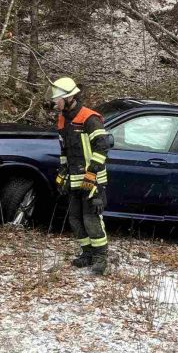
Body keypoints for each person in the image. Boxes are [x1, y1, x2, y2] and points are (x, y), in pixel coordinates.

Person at [51, 77, 111, 275]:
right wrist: (62, 172)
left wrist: (92, 173)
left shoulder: (89, 118)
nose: (55, 102)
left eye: (58, 99)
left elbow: (102, 147)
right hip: (74, 179)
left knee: (91, 219)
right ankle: (87, 253)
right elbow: (64, 150)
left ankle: (101, 257)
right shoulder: (62, 120)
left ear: (69, 98)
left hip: (92, 180)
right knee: (75, 219)